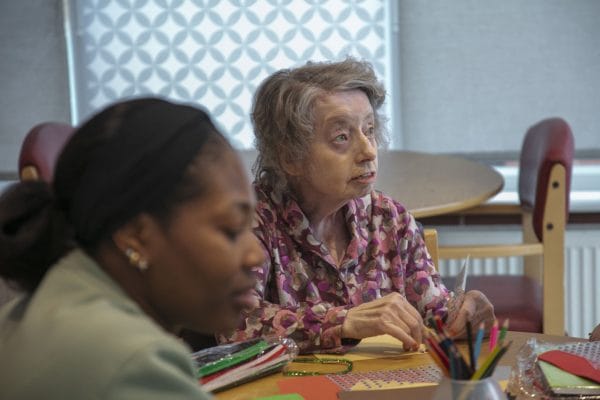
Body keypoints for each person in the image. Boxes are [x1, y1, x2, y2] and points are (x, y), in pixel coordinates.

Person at [218, 58, 495, 354]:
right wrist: (344, 321)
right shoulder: (252, 221)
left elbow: (436, 316)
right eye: (342, 137)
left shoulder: (390, 219)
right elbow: (234, 323)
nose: (368, 150)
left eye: (369, 129)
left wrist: (464, 314)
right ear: (290, 157)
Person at [0, 98, 264, 399]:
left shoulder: (33, 311)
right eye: (231, 230)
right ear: (135, 235)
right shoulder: (132, 361)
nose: (255, 255)